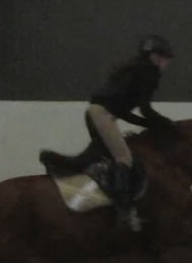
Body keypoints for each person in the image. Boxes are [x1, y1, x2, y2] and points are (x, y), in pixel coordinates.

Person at [41, 34, 179, 229]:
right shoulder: (150, 72)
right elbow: (145, 109)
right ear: (155, 57)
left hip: (97, 112)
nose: (166, 63)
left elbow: (124, 112)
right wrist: (166, 124)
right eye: (165, 58)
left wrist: (150, 125)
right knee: (124, 158)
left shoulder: (136, 68)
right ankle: (124, 212)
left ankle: (57, 162)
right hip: (103, 114)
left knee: (101, 154)